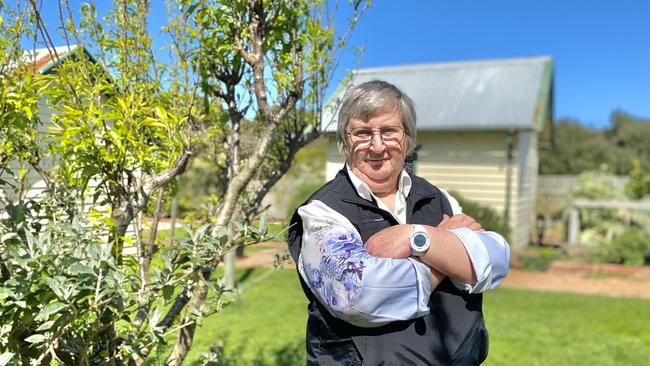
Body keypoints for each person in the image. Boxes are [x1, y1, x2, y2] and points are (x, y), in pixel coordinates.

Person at [288, 80, 510, 365]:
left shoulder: (437, 197)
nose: (377, 145)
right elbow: (358, 295)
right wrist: (446, 253)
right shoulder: (322, 211)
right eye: (363, 133)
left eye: (389, 131)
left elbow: (495, 260)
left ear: (407, 139)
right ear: (345, 141)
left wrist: (416, 237)